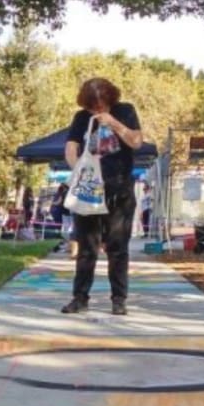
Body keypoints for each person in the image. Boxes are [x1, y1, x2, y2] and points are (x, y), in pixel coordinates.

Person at [61, 78, 143, 316]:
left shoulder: (125, 111)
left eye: (100, 106)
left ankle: (119, 299)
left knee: (118, 248)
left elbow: (136, 142)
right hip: (90, 191)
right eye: (91, 107)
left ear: (110, 99)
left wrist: (114, 123)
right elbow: (71, 148)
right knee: (87, 248)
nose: (95, 111)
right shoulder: (81, 118)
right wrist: (79, 170)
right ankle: (80, 298)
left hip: (119, 189)